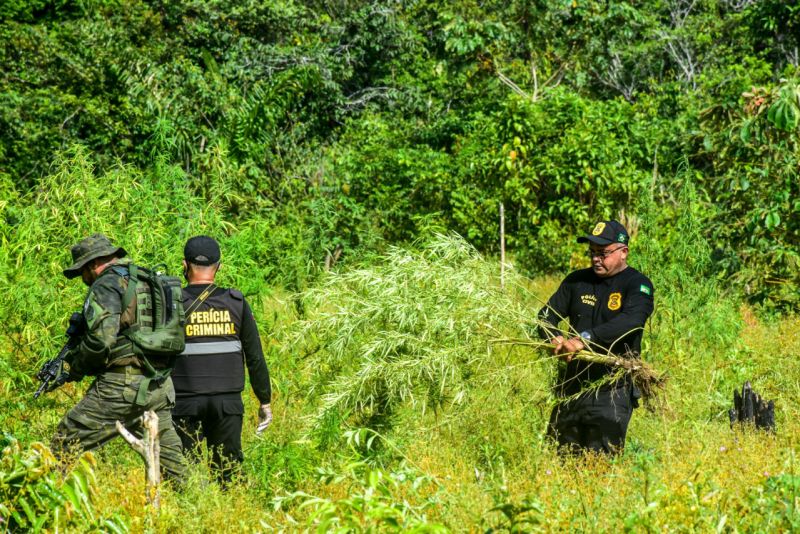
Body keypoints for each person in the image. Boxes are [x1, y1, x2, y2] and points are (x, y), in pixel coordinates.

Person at [51, 234, 187, 483]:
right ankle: (197, 507)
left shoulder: (106, 284)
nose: (83, 279)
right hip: (159, 385)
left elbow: (101, 340)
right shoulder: (144, 278)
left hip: (121, 387)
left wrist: (76, 368)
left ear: (93, 265)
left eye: (82, 271)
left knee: (65, 441)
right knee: (173, 464)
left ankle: (45, 504)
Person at [538, 220, 654, 455]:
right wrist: (555, 338)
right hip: (572, 385)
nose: (595, 259)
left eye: (603, 253)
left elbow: (632, 321)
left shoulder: (638, 284)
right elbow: (545, 317)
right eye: (592, 252)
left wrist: (583, 340)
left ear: (623, 252)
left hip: (612, 389)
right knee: (560, 458)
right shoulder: (576, 281)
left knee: (600, 462)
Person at [171, 235, 272, 483]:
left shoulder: (172, 305)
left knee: (186, 476)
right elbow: (255, 357)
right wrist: (265, 401)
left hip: (184, 404)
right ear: (219, 267)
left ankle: (192, 516)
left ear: (184, 266)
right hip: (227, 405)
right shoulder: (237, 304)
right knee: (228, 473)